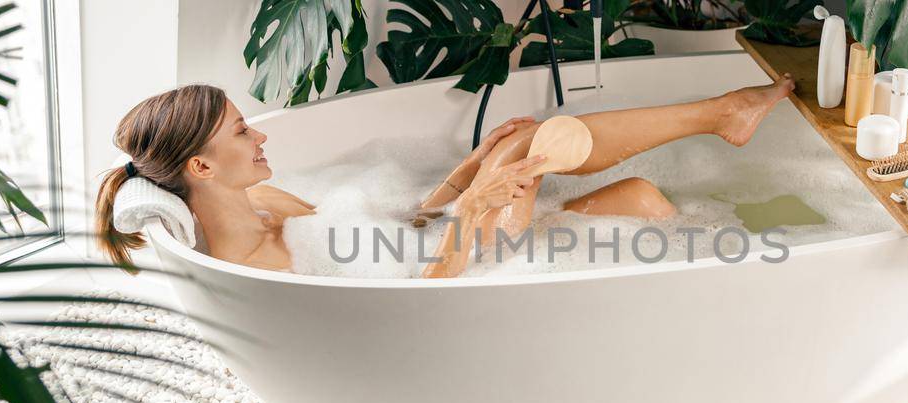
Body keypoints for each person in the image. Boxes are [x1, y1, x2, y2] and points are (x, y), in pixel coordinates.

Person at [95, 76, 795, 277]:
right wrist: (476, 207)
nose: (262, 134)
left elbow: (403, 229)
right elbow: (419, 307)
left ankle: (693, 283)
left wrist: (463, 175)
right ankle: (722, 112)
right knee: (525, 156)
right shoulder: (258, 267)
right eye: (242, 131)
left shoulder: (267, 199)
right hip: (465, 282)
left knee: (641, 199)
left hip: (467, 253)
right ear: (200, 167)